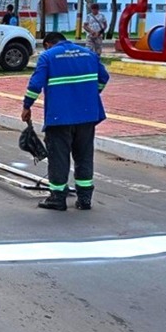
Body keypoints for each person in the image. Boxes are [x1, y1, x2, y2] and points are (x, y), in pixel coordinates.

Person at [21, 32, 109, 211]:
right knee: (84, 156)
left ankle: (57, 198)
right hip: (87, 116)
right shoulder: (89, 54)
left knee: (59, 157)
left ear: (47, 44)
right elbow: (103, 78)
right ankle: (84, 199)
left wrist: (27, 106)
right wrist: (91, 94)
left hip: (59, 117)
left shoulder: (48, 56)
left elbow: (35, 85)